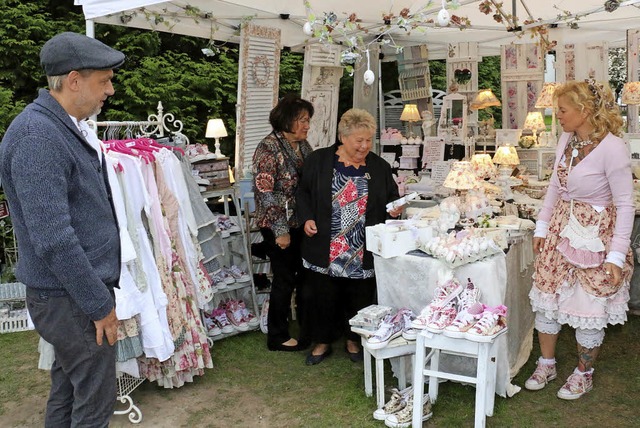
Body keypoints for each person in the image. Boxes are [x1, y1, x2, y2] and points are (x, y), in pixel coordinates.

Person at [0, 32, 125, 426]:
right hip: (69, 297)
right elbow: (54, 239)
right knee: (94, 402)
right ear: (74, 80)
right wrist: (99, 305)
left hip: (69, 294)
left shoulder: (57, 127)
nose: (110, 89)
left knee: (69, 390)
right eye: (103, 80)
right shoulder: (38, 135)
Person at [526, 79, 634, 400]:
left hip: (595, 237)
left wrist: (616, 255)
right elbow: (555, 188)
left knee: (588, 304)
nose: (557, 115)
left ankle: (584, 372)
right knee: (547, 293)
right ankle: (547, 362)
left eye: (562, 110)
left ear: (584, 111)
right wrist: (542, 228)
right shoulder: (566, 138)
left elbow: (626, 204)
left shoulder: (613, 148)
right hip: (561, 228)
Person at [297, 108, 403, 365]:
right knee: (323, 296)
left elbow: (391, 200)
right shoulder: (319, 161)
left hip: (361, 248)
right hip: (326, 245)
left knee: (359, 297)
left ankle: (353, 339)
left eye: (368, 140)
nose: (364, 146)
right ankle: (322, 342)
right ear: (343, 137)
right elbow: (303, 193)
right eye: (359, 140)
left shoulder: (379, 166)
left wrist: (396, 209)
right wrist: (307, 218)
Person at [252, 94, 314, 352]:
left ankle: (304, 326)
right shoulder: (268, 148)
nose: (306, 125)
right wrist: (280, 231)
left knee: (303, 276)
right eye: (302, 120)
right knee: (284, 278)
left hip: (299, 221)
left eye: (308, 120)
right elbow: (265, 192)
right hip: (277, 224)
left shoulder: (303, 145)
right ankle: (277, 336)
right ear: (286, 120)